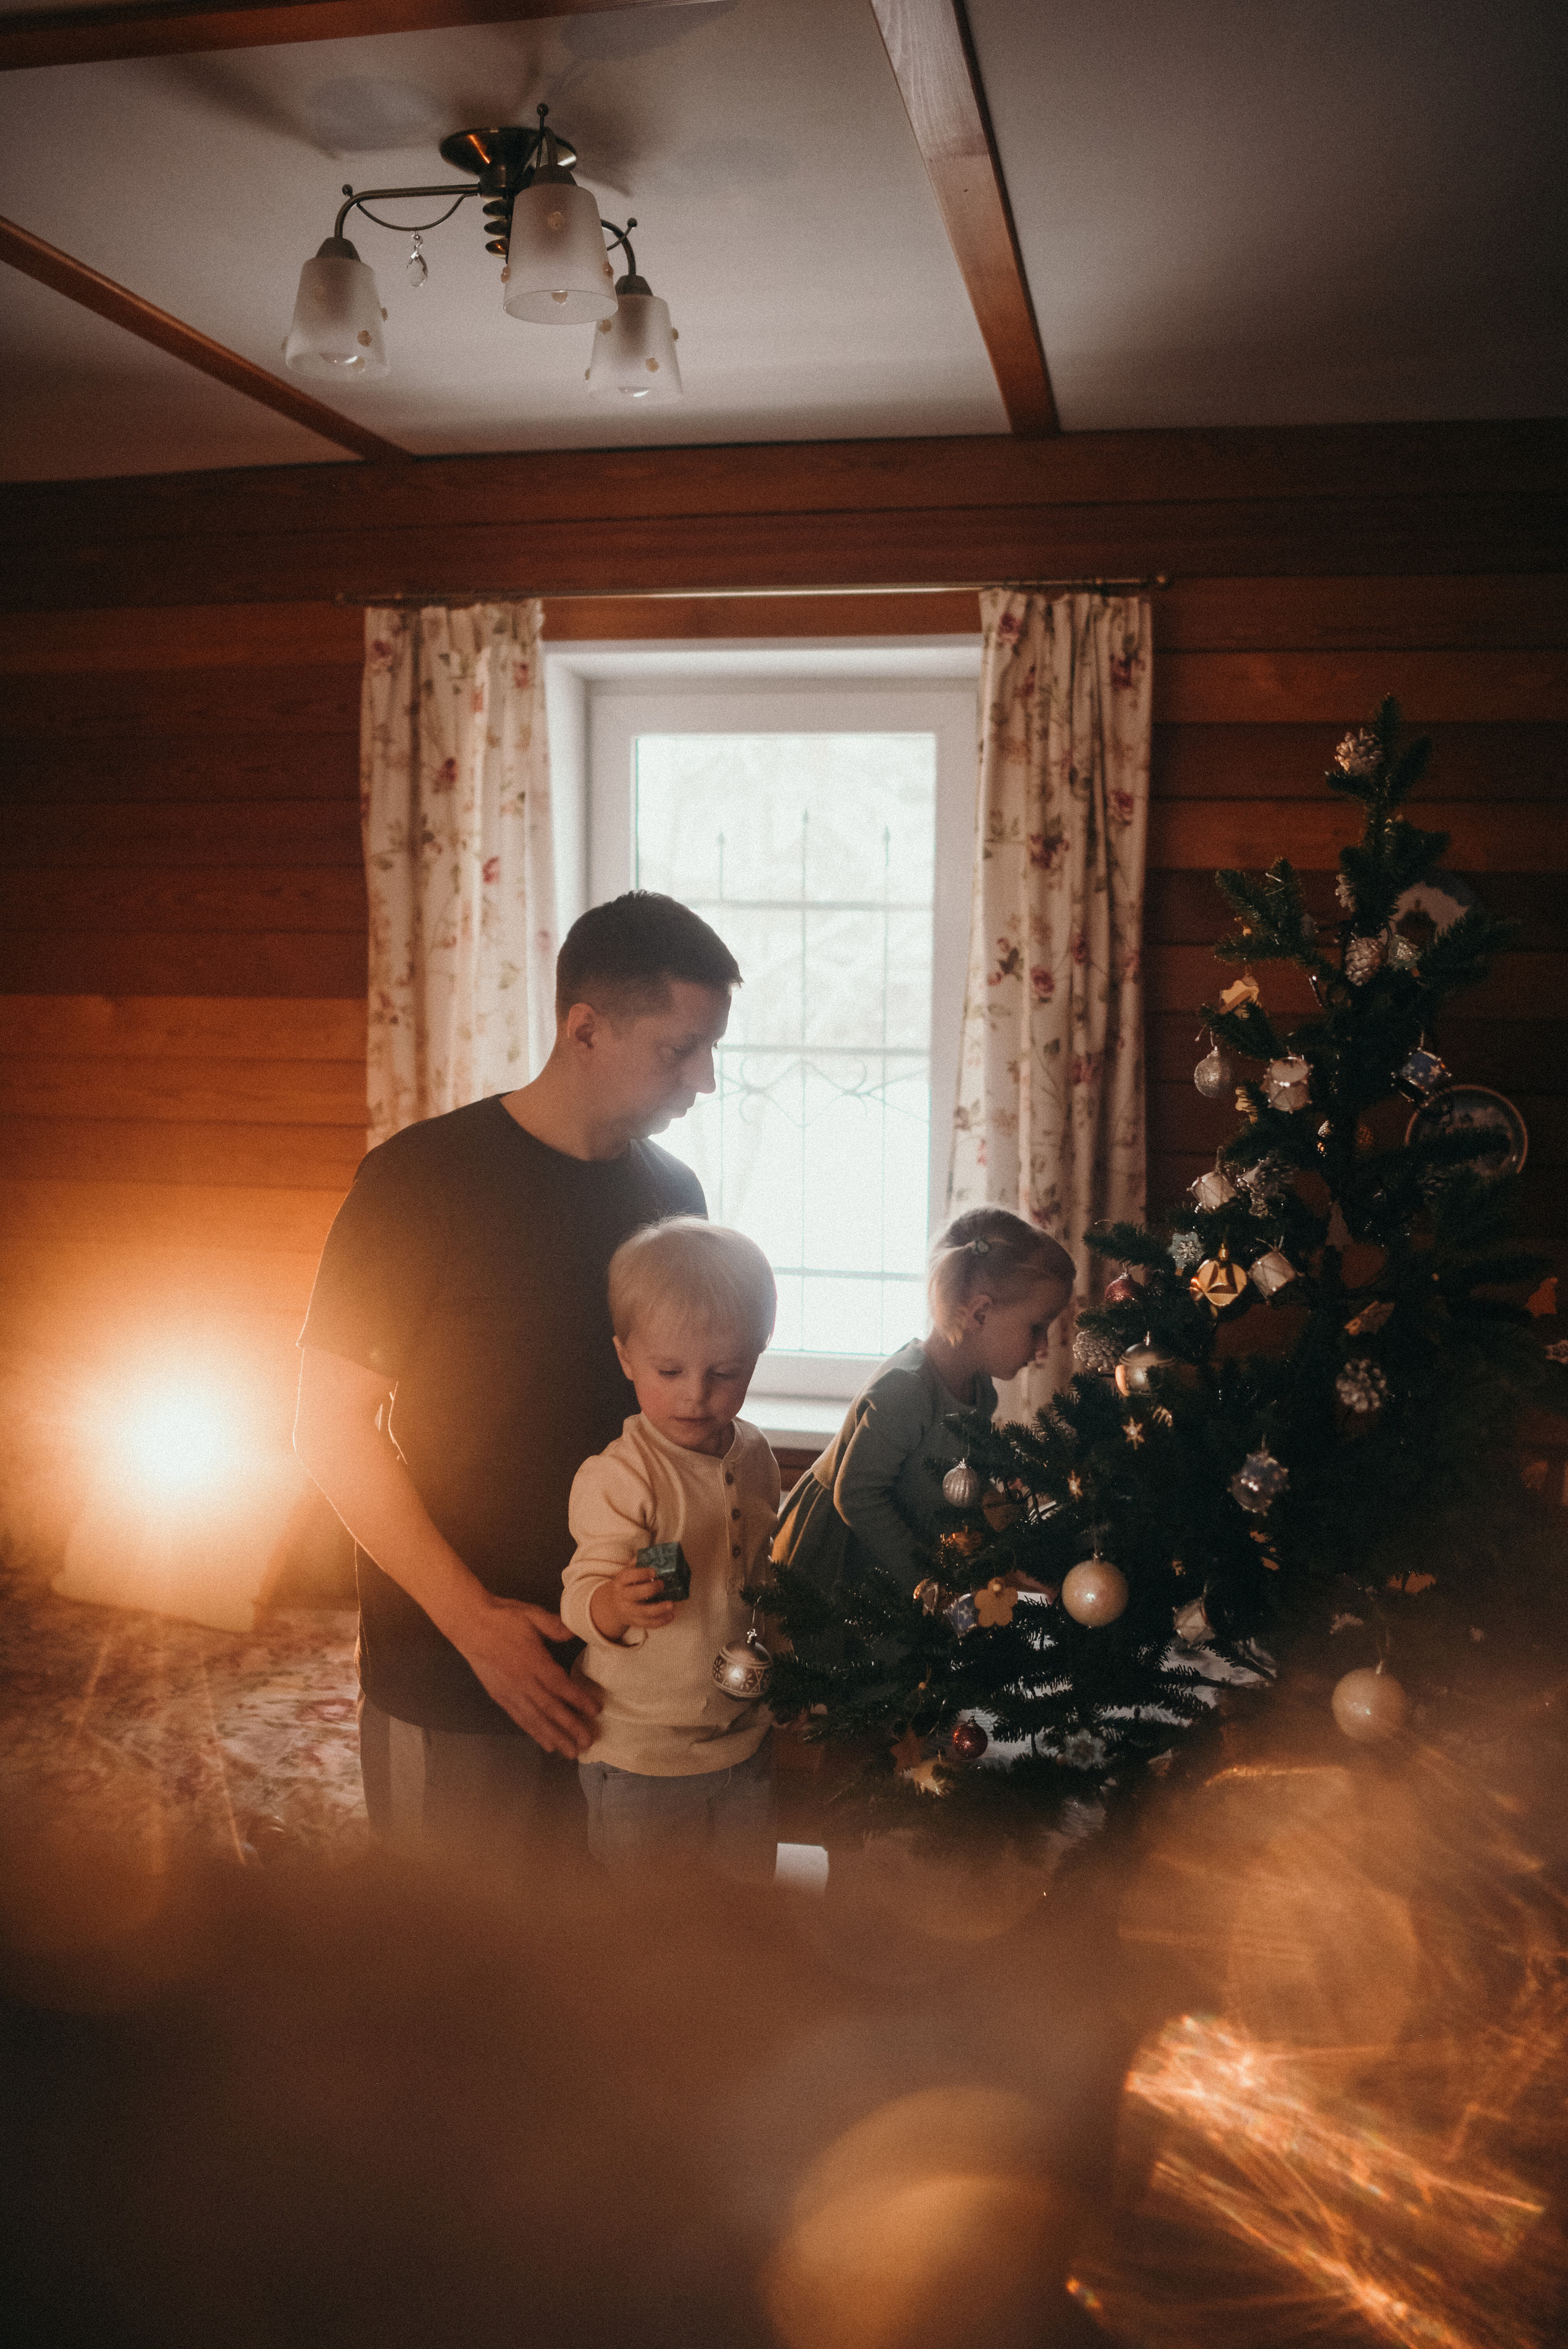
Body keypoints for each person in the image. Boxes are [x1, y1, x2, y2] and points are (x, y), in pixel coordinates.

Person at [292, 892, 740, 1872]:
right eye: (680, 1048)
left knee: (605, 1991)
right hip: (453, 1670)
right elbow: (326, 1427)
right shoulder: (420, 1180)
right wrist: (478, 1630)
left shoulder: (676, 1198)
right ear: (585, 1028)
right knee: (450, 1990)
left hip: (635, 1686)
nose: (705, 1078)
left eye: (711, 1049)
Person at [560, 1218, 782, 1882]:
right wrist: (612, 1602)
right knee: (650, 1936)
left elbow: (765, 1577)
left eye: (725, 1372)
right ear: (626, 1357)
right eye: (668, 1370)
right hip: (640, 1755)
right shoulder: (620, 1476)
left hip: (744, 1739)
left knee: (739, 1911)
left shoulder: (756, 1455)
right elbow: (580, 1594)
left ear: (756, 1356)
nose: (695, 1394)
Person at [772, 1208, 1076, 1595]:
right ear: (981, 1312)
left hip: (908, 1551)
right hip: (843, 1560)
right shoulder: (906, 1390)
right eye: (1037, 1327)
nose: (1044, 1348)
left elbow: (963, 1490)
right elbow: (856, 1496)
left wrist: (998, 1567)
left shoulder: (982, 1390)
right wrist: (927, 1582)